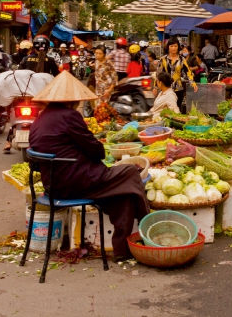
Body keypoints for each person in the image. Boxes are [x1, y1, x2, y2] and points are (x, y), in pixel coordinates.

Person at [28, 71, 149, 261]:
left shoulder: (40, 118)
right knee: (130, 171)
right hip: (76, 182)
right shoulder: (69, 116)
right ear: (73, 100)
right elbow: (96, 150)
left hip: (54, 185)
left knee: (124, 194)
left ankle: (122, 252)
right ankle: (146, 223)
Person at [157, 37, 197, 110]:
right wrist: (155, 87)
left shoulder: (182, 59)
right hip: (166, 89)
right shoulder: (163, 59)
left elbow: (188, 72)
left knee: (176, 110)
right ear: (168, 47)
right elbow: (158, 74)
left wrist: (193, 83)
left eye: (175, 46)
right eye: (171, 46)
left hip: (178, 89)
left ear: (178, 47)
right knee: (165, 110)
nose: (173, 48)